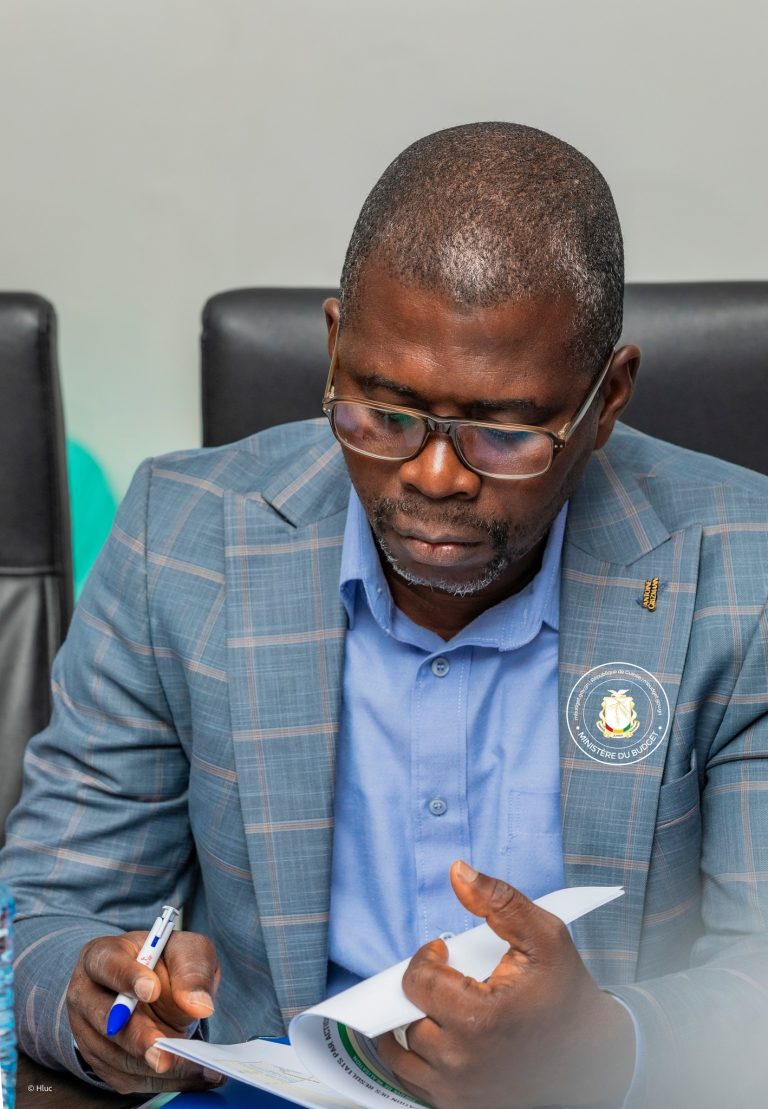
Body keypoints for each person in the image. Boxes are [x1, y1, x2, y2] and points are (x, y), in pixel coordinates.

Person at [2, 122, 767, 1108]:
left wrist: (607, 1048)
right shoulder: (182, 538)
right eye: (386, 415)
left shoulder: (743, 572)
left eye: (502, 432)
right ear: (335, 349)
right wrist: (91, 998)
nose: (436, 476)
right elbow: (47, 912)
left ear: (607, 397)